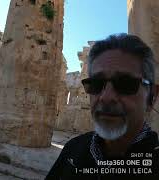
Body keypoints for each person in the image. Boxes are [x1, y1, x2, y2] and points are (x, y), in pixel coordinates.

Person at [45, 33, 159, 180]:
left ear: (152, 97)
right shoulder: (73, 148)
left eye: (125, 83)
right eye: (96, 84)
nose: (106, 97)